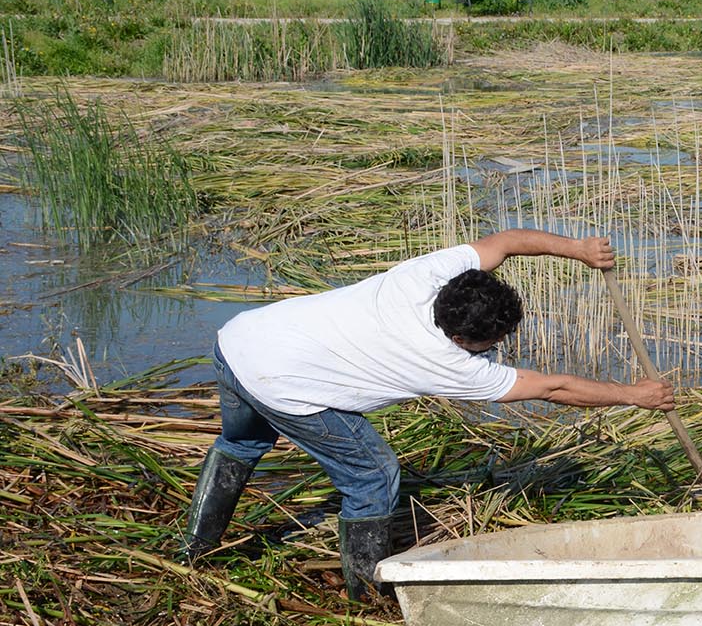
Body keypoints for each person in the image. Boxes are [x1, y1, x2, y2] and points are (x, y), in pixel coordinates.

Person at [181, 230, 675, 601]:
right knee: (373, 477)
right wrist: (632, 395)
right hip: (282, 384)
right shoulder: (449, 365)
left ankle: (195, 549)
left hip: (240, 340)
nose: (497, 350)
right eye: (492, 343)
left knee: (243, 443)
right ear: (464, 340)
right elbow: (554, 387)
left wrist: (579, 250)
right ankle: (367, 597)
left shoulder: (430, 276)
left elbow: (505, 242)